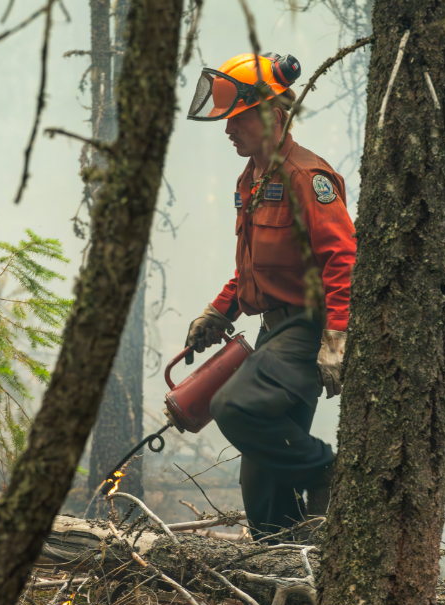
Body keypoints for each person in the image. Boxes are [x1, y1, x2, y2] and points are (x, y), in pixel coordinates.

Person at [184, 52, 356, 540]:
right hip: (273, 328)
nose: (227, 131)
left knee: (234, 406)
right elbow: (255, 267)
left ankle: (328, 473)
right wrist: (218, 310)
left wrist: (337, 337)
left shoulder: (306, 177)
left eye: (237, 120)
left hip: (307, 327)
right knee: (259, 478)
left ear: (274, 117)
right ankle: (291, 563)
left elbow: (343, 259)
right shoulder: (251, 179)